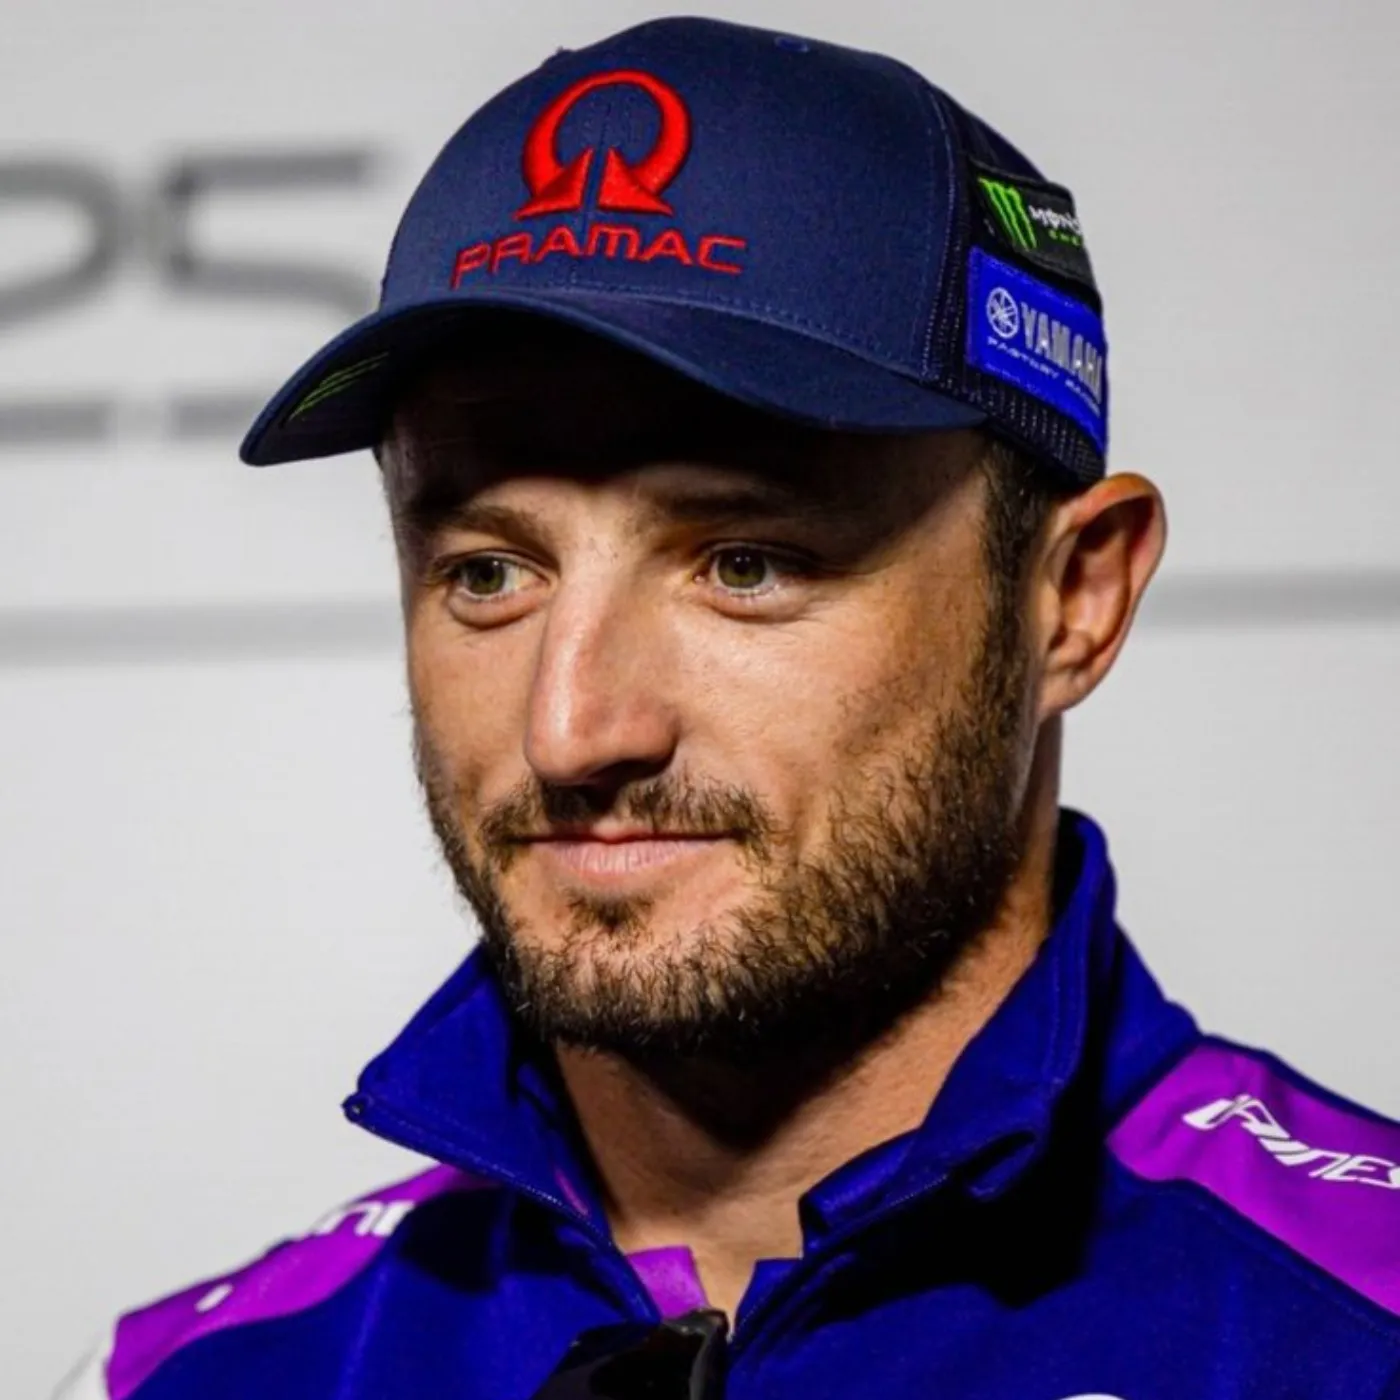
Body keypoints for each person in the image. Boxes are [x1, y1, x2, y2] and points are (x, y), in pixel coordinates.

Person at [56, 15, 1400, 1400]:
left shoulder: (1360, 1332)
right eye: (489, 572)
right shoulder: (191, 1377)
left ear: (1074, 598)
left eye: (745, 564)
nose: (573, 730)